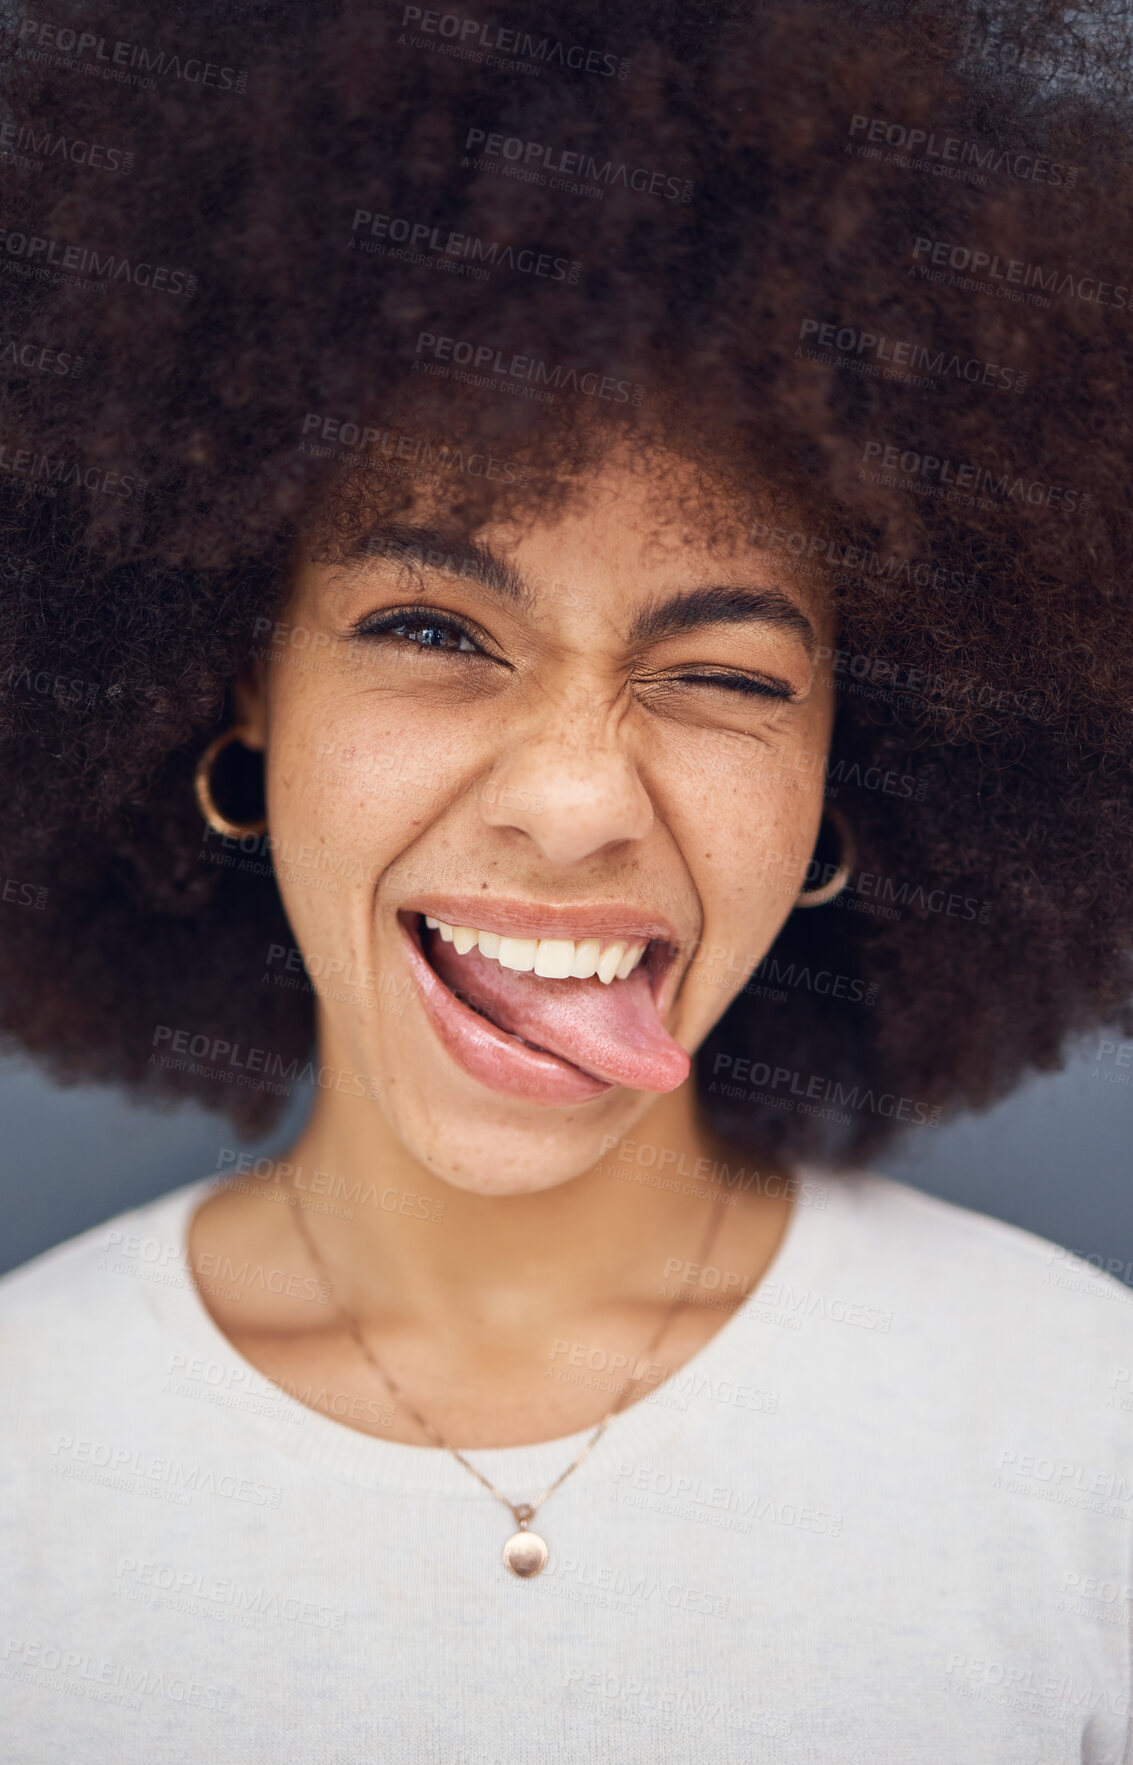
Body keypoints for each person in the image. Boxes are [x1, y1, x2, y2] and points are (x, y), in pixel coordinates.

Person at [1, 0, 1131, 1758]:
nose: (574, 800)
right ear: (240, 689)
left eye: (729, 674)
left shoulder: (1081, 1429)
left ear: (854, 763)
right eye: (433, 628)